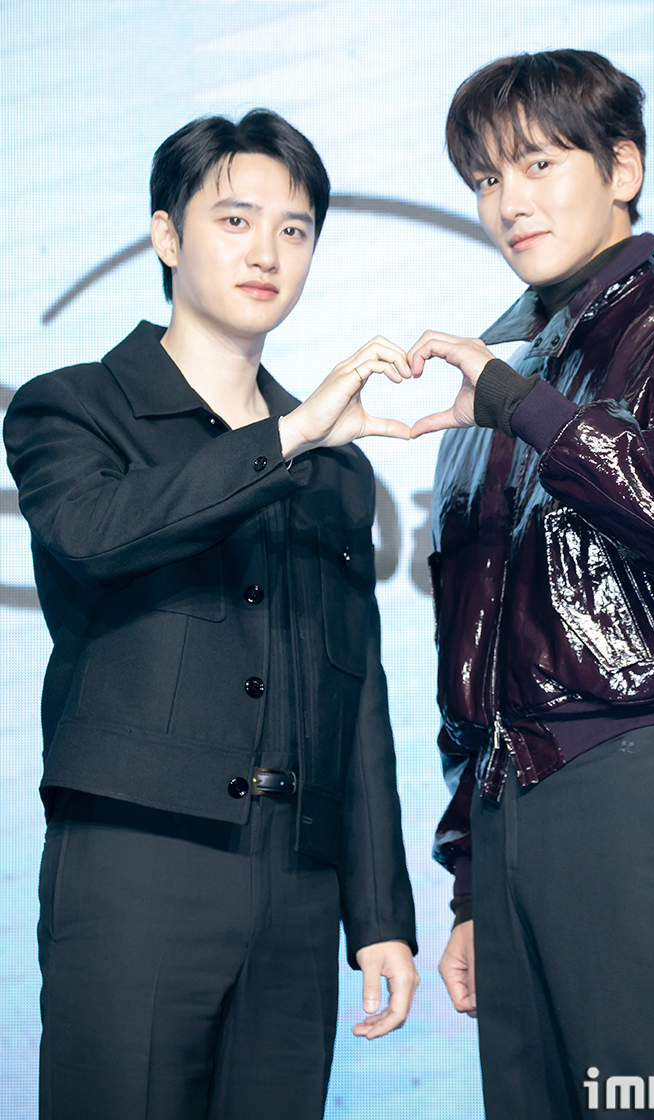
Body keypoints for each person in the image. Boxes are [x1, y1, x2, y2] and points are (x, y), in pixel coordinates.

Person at [4, 109, 418, 1120]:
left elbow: (355, 694)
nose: (266, 251)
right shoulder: (72, 406)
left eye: (294, 228)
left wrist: (379, 913)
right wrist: (289, 435)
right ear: (165, 234)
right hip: (138, 861)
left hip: (298, 881)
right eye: (235, 220)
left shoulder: (335, 466)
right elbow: (95, 532)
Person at [407, 50, 654, 1119]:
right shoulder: (504, 376)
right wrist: (470, 879)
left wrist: (527, 410)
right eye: (487, 178)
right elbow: (473, 644)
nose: (509, 201)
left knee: (652, 1103)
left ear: (622, 168)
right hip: (506, 811)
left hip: (631, 782)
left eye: (538, 163)